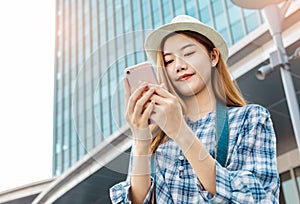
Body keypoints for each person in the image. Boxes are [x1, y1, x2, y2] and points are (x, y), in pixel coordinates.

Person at [110, 15, 280, 203]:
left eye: (189, 53)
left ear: (213, 56)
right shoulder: (157, 140)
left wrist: (181, 132)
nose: (179, 66)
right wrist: (141, 141)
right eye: (169, 61)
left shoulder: (249, 119)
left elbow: (259, 199)